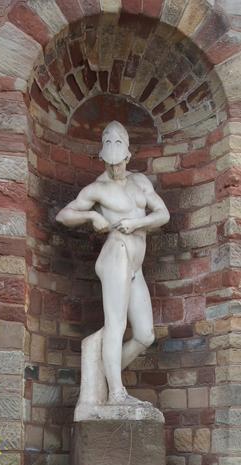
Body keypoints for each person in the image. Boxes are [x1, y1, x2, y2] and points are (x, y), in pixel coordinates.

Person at [56, 120, 170, 406]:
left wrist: (136, 222)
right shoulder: (97, 188)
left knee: (145, 335)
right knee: (116, 324)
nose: (113, 167)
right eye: (108, 162)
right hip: (116, 254)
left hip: (135, 263)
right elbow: (64, 215)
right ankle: (117, 393)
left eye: (118, 162)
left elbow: (163, 214)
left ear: (128, 156)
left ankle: (101, 376)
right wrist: (92, 217)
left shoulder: (140, 182)